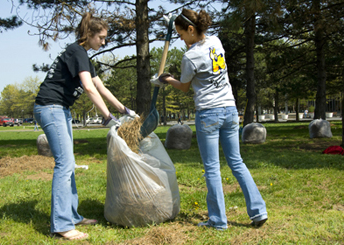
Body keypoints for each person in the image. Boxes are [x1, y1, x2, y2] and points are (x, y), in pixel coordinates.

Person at [151, 8, 267, 231]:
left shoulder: (190, 57)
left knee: (212, 168)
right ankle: (258, 211)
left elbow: (185, 87)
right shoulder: (216, 41)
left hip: (209, 113)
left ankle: (218, 220)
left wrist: (166, 79)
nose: (181, 39)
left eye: (181, 34)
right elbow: (202, 55)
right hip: (230, 109)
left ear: (191, 29)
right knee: (237, 162)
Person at [34, 12, 137, 240]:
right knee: (65, 164)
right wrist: (107, 116)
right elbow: (89, 88)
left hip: (60, 109)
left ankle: (71, 215)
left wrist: (124, 110)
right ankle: (61, 225)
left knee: (68, 163)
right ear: (88, 34)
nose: (104, 41)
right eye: (101, 37)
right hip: (50, 107)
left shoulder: (84, 57)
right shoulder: (76, 51)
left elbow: (102, 88)